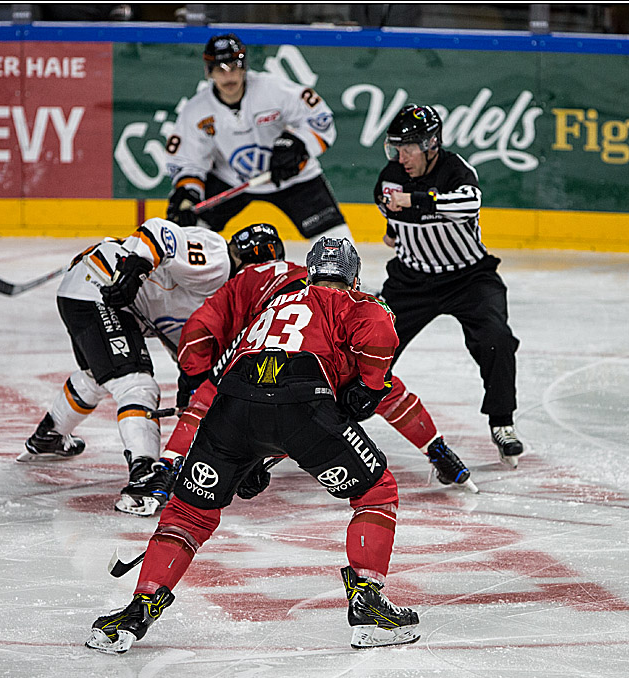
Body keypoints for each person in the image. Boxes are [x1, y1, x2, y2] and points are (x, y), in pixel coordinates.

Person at [86, 237, 420, 654]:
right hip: (302, 400)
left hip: (232, 403)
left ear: (311, 272)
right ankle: (369, 604)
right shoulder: (353, 302)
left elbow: (264, 386)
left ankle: (137, 610)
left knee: (188, 513)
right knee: (375, 492)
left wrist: (256, 455)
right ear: (353, 278)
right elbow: (376, 330)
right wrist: (372, 383)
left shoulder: (273, 307)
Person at [166, 222, 478, 493]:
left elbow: (199, 328)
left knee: (213, 400)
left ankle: (164, 472)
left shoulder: (239, 283)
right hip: (329, 332)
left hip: (273, 349)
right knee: (382, 389)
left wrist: (193, 379)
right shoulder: (302, 271)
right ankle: (441, 453)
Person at [19, 217, 232, 517]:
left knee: (101, 376)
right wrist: (135, 269)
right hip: (99, 286)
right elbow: (160, 230)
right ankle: (144, 476)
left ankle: (50, 435)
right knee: (136, 384)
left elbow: (192, 364)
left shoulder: (220, 316)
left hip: (95, 298)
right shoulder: (219, 264)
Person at [375, 104, 524, 468]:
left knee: (496, 340)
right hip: (411, 281)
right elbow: (391, 220)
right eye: (397, 147)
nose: (401, 156)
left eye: (409, 147)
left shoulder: (456, 171)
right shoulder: (390, 177)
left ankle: (502, 421)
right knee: (369, 344)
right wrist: (398, 226)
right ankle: (340, 415)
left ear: (432, 144)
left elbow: (469, 203)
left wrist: (417, 202)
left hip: (469, 278)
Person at [164, 33, 353, 242]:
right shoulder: (196, 110)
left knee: (337, 246)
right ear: (209, 72)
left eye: (234, 67)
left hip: (292, 177)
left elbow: (319, 117)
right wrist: (187, 194)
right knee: (186, 230)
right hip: (232, 179)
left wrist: (298, 145)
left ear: (244, 66)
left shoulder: (272, 88)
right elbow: (187, 160)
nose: (229, 77)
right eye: (220, 69)